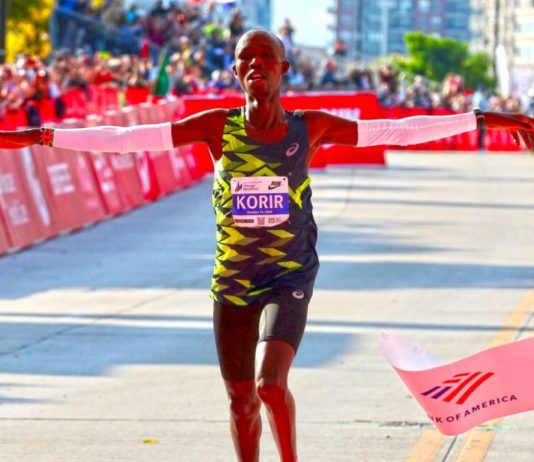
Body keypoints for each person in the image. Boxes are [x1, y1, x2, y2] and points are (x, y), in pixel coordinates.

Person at [2, 29, 534, 462]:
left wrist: (485, 119)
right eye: (245, 58)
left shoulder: (311, 127)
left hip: (289, 275)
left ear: (283, 71)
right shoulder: (217, 128)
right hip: (232, 279)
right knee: (239, 402)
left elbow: (394, 130)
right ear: (235, 72)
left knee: (269, 386)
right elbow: (124, 140)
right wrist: (44, 136)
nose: (256, 64)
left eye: (266, 57)